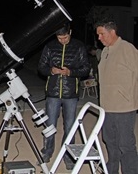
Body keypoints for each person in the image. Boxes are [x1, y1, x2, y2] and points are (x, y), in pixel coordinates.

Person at [37, 23, 90, 170]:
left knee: (70, 126)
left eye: (65, 37)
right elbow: (41, 67)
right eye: (60, 38)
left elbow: (86, 68)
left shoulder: (79, 46)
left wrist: (70, 72)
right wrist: (51, 70)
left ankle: (68, 155)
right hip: (53, 92)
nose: (63, 40)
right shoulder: (50, 47)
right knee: (50, 125)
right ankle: (47, 152)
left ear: (70, 32)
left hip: (70, 93)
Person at [95, 19, 138, 174]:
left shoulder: (127, 48)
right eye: (98, 34)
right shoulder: (106, 51)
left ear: (112, 32)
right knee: (110, 142)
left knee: (125, 145)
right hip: (107, 107)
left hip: (124, 107)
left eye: (101, 34)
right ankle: (111, 170)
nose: (99, 38)